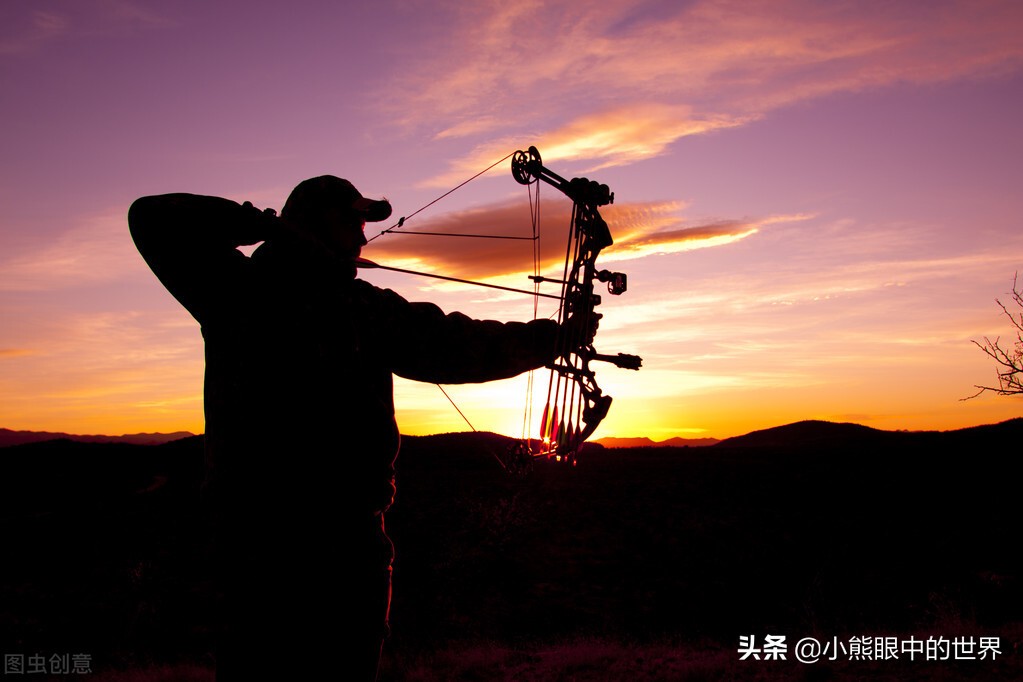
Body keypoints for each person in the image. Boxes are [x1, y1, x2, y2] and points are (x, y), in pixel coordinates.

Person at [128, 176, 571, 680]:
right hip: (260, 538)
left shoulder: (360, 306)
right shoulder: (239, 290)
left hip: (347, 538)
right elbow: (152, 217)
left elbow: (452, 343)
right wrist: (262, 225)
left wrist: (552, 338)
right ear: (313, 224)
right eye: (354, 222)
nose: (363, 239)